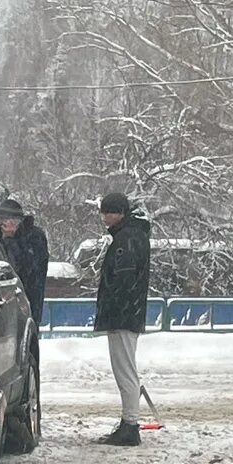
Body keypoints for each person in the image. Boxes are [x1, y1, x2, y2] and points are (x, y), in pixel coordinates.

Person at [94, 191, 151, 447]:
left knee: (125, 371)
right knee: (126, 370)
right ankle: (128, 422)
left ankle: (130, 424)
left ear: (119, 213)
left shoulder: (126, 239)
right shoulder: (133, 236)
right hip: (129, 313)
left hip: (123, 315)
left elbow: (123, 279)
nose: (104, 217)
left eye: (108, 212)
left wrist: (112, 309)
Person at [0, 199, 49, 325]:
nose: (4, 224)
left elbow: (30, 267)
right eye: (1, 220)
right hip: (1, 300)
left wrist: (11, 240)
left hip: (29, 296)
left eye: (7, 220)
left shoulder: (34, 236)